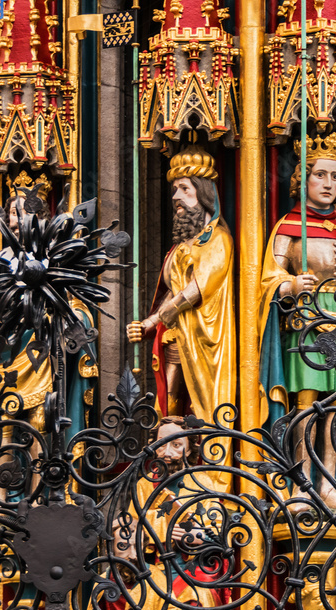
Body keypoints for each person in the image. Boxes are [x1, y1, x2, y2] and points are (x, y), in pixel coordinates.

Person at [258, 133, 336, 511]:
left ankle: (331, 483)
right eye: (320, 176)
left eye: (335, 177)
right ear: (302, 180)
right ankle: (300, 481)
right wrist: (290, 283)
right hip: (305, 322)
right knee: (307, 405)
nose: (329, 184)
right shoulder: (288, 226)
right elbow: (267, 278)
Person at [127, 144, 235, 494]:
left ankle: (210, 473)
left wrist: (159, 317)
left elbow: (195, 289)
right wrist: (148, 324)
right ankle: (170, 468)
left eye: (184, 189)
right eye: (174, 189)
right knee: (170, 405)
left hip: (206, 340)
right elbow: (167, 292)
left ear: (203, 194)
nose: (176, 196)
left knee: (206, 406)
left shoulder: (218, 240)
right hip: (175, 339)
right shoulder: (178, 248)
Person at [123, 416, 231, 610]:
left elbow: (219, 534)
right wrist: (161, 529)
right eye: (162, 443)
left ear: (189, 449)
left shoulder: (202, 482)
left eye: (176, 445)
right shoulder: (144, 485)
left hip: (193, 565)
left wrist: (198, 535)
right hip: (154, 565)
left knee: (195, 593)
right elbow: (131, 531)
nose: (167, 452)